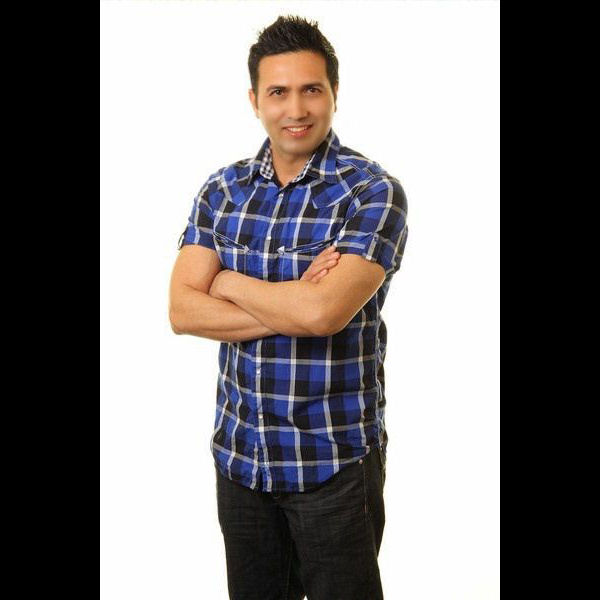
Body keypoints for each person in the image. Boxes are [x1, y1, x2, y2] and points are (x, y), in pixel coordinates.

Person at [169, 15, 408, 600]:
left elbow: (323, 316)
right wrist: (295, 298)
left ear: (334, 94)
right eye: (278, 92)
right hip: (241, 460)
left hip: (333, 463)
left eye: (311, 89)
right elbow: (182, 311)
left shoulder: (371, 193)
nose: (296, 109)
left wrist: (226, 280)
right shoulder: (222, 191)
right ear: (255, 100)